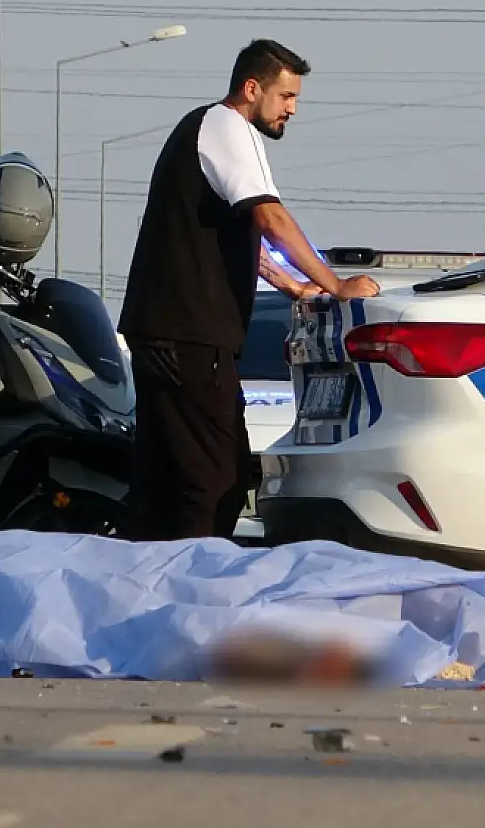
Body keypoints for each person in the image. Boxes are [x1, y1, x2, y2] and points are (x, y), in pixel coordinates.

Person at [118, 38, 380, 542]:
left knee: (164, 482)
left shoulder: (210, 131)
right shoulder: (225, 126)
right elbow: (269, 218)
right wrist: (337, 284)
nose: (292, 109)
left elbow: (237, 239)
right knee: (216, 481)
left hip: (168, 332)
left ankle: (144, 578)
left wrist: (293, 286)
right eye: (286, 96)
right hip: (188, 336)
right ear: (252, 88)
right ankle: (196, 579)